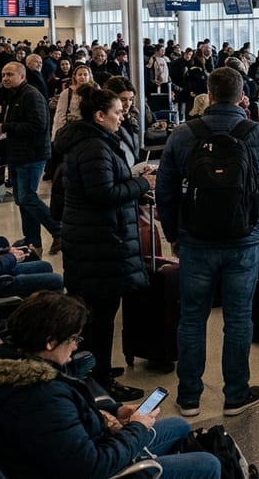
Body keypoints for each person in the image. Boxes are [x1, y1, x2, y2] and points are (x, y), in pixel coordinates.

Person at [0, 292, 221, 479]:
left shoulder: (4, 364)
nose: (76, 345)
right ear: (49, 342)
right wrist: (136, 428)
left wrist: (114, 410)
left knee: (178, 425)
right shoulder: (42, 398)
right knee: (209, 464)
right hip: (102, 466)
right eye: (73, 338)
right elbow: (93, 467)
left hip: (82, 446)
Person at [155, 66, 259, 417]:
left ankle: (189, 396)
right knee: (240, 318)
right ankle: (235, 394)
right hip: (245, 241)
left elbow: (164, 193)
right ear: (241, 96)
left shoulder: (184, 135)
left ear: (209, 95)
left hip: (195, 241)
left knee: (193, 318)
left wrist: (173, 234)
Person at [53, 86, 153, 402]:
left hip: (91, 240)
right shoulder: (95, 146)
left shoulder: (87, 141)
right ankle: (99, 381)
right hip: (98, 242)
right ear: (99, 115)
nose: (122, 115)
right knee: (99, 316)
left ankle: (98, 370)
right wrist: (141, 184)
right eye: (117, 111)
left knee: (96, 314)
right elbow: (103, 194)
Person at [0, 62, 62, 256]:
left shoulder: (31, 95)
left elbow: (37, 126)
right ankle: (32, 240)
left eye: (10, 74)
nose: (5, 78)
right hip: (16, 154)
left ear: (22, 76)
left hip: (32, 155)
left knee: (27, 197)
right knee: (21, 199)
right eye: (3, 74)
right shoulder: (13, 95)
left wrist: (5, 127)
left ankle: (58, 229)